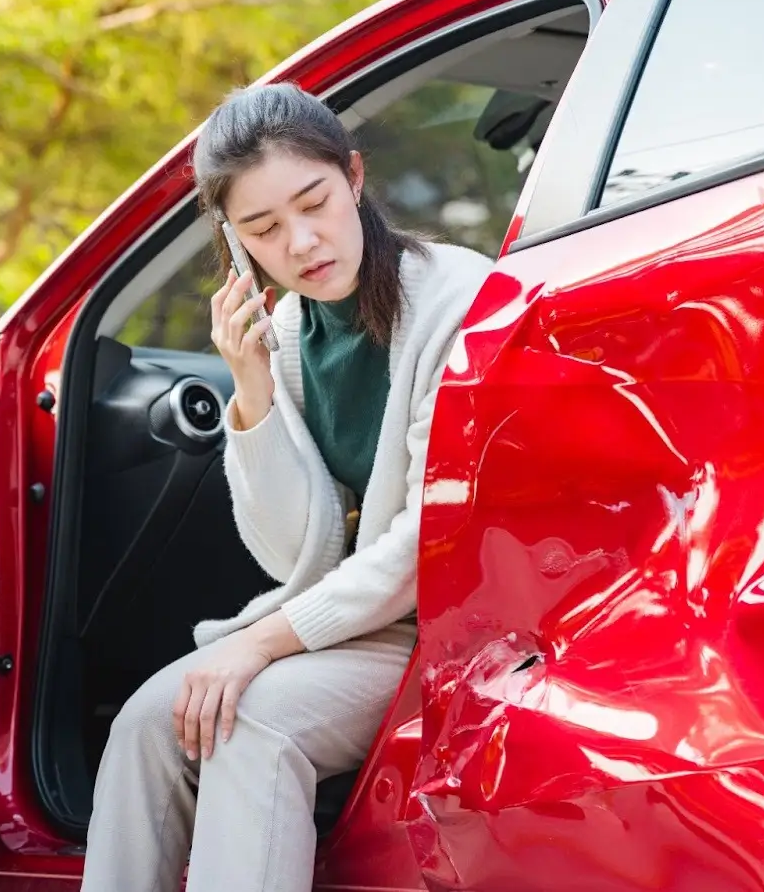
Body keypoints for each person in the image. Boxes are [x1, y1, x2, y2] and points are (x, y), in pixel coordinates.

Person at [80, 81, 494, 892]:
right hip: (357, 627)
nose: (302, 243)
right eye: (264, 229)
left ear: (354, 177)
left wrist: (259, 644)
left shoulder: (459, 299)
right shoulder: (291, 333)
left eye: (315, 204)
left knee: (249, 724)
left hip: (448, 629)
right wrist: (253, 393)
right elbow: (292, 553)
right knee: (147, 723)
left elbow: (428, 541)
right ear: (234, 241)